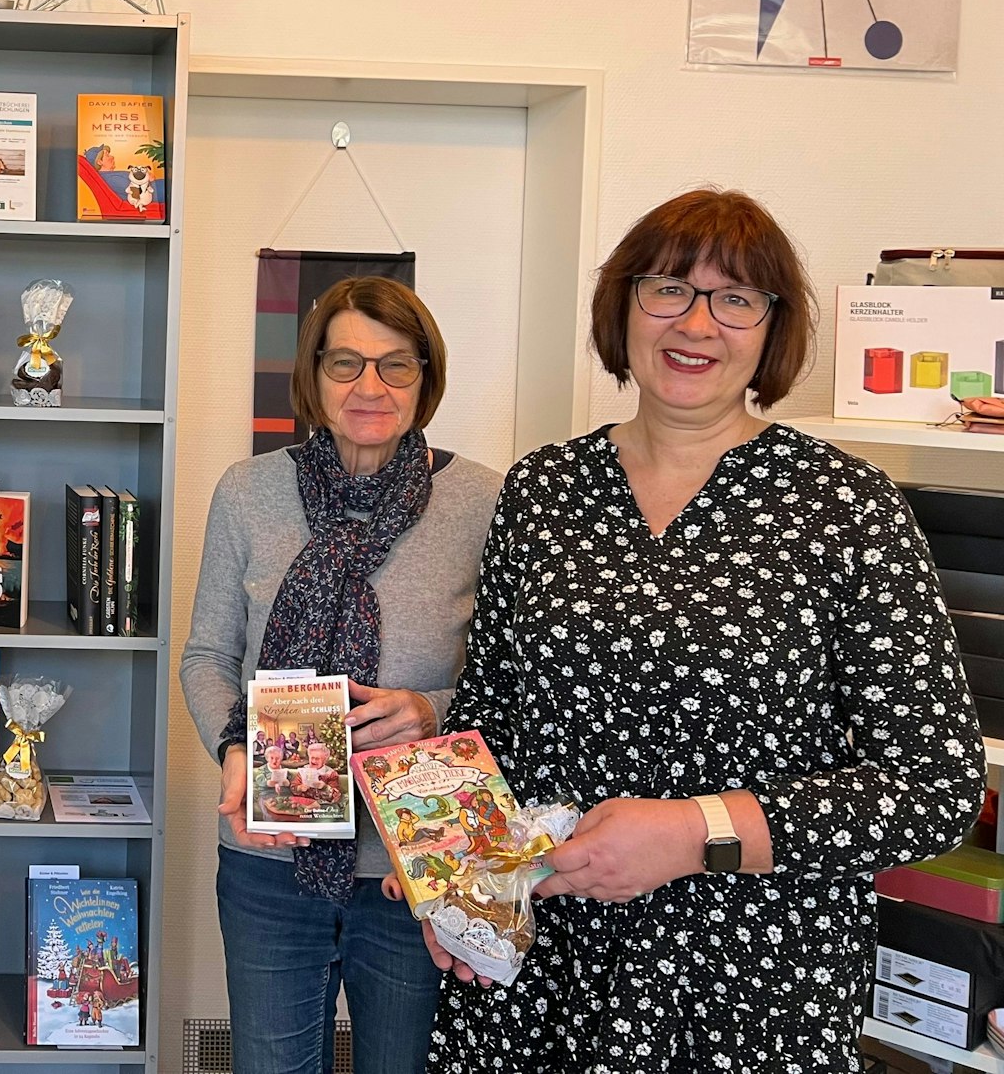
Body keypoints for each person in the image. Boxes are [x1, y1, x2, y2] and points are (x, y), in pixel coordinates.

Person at [425, 188, 985, 1072]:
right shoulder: (542, 492)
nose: (697, 322)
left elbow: (934, 785)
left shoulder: (845, 507)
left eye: (736, 298)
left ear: (772, 328)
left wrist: (693, 831)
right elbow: (488, 722)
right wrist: (454, 888)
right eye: (668, 289)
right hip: (541, 962)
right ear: (625, 305)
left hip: (752, 976)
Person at [181, 276, 504, 1074]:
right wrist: (233, 749)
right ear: (313, 376)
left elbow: (515, 677)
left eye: (396, 365)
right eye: (347, 362)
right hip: (271, 856)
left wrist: (431, 708)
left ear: (426, 378)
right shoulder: (247, 492)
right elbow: (207, 657)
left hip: (417, 861)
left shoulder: (483, 501)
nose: (370, 386)